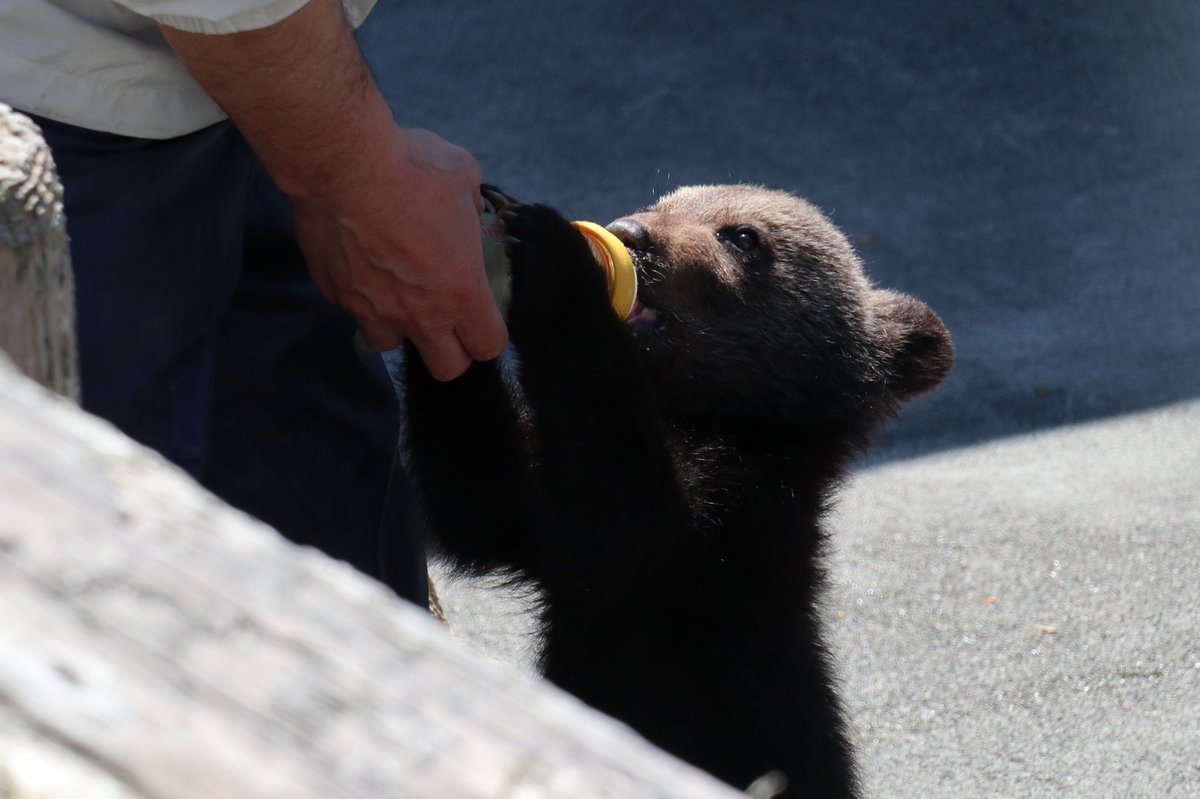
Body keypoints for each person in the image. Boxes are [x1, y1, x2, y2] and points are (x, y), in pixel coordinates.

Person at [0, 0, 507, 604]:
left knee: (330, 522)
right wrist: (362, 175)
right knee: (109, 568)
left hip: (254, 68)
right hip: (63, 109)